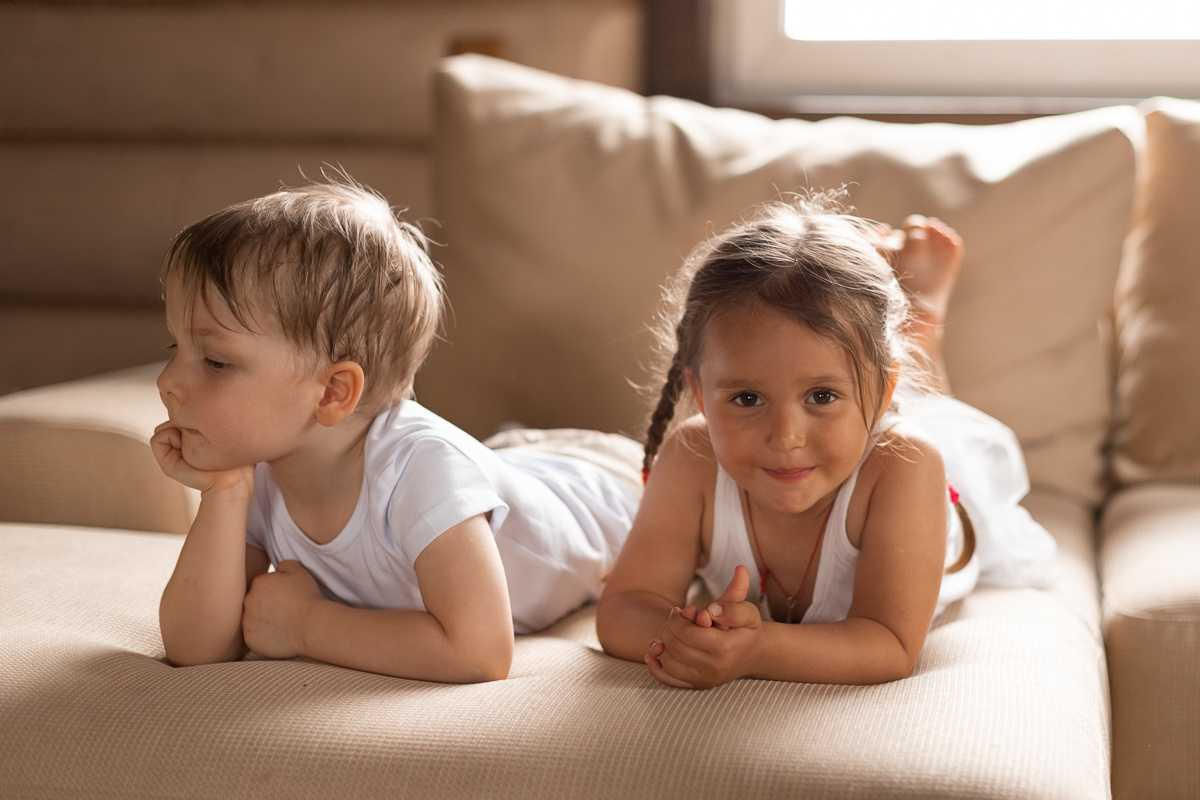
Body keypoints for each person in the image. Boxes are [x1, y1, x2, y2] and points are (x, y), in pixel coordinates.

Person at [153, 178, 638, 683]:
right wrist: (224, 493)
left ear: (333, 393)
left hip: (601, 484)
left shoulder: (422, 473)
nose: (167, 383)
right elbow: (197, 649)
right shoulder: (263, 471)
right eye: (174, 349)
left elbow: (480, 653)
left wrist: (307, 625)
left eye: (214, 361)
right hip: (508, 460)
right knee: (493, 458)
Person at [596, 195, 1057, 688]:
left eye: (820, 394)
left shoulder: (908, 465)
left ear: (882, 393)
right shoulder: (692, 457)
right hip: (865, 415)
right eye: (748, 398)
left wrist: (757, 648)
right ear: (700, 395)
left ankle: (921, 327)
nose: (786, 437)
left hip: (915, 465)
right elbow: (625, 607)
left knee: (941, 427)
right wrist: (680, 637)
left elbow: (888, 645)